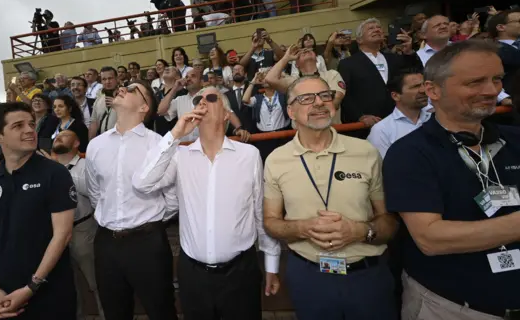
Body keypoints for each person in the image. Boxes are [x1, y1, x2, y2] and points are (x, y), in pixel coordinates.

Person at [384, 40, 520, 319]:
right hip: (452, 306)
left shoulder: (516, 140)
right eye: (475, 82)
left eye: (497, 79)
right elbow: (431, 239)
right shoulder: (408, 153)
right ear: (433, 90)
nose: (491, 90)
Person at [133, 86, 281, 320]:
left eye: (210, 98)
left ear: (226, 114)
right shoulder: (180, 156)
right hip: (193, 275)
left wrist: (272, 263)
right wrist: (174, 135)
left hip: (241, 272)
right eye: (197, 100)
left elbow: (259, 211)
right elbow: (142, 183)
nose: (201, 103)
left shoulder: (249, 155)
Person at [263, 75, 399, 319]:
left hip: (368, 277)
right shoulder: (276, 160)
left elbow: (389, 221)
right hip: (310, 278)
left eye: (325, 95)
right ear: (290, 111)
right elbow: (270, 222)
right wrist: (303, 228)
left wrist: (360, 232)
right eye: (306, 98)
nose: (318, 103)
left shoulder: (365, 151)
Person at [0, 102, 77, 319]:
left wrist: (31, 286)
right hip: (3, 297)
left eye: (31, 124)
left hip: (50, 293)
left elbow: (62, 235)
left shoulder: (55, 174)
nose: (29, 130)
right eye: (18, 126)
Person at [86, 80, 178, 320]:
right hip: (106, 243)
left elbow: (172, 198)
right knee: (115, 312)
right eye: (124, 85)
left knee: (161, 310)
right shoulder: (95, 145)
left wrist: (150, 222)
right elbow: (96, 193)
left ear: (144, 107)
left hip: (148, 244)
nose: (122, 88)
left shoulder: (158, 144)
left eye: (133, 88)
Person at [51, 130, 105, 320]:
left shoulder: (85, 166)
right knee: (66, 285)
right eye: (57, 135)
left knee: (96, 281)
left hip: (83, 229)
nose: (58, 137)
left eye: (65, 135)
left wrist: (60, 172)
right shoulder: (47, 168)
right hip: (55, 234)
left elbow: (92, 191)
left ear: (76, 143)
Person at [338, 18, 420, 138]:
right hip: (367, 127)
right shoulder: (348, 64)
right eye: (371, 28)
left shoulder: (395, 58)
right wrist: (360, 116)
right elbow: (345, 95)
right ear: (359, 39)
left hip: (400, 122)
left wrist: (409, 52)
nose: (376, 30)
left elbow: (417, 74)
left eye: (379, 28)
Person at [265, 44, 346, 125]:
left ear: (317, 59)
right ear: (296, 64)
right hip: (304, 132)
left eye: (310, 50)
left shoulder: (331, 74)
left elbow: (336, 100)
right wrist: (286, 58)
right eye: (301, 52)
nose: (306, 50)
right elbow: (270, 79)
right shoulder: (293, 81)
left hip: (330, 129)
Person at [367, 68, 431, 158]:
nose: (423, 90)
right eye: (415, 87)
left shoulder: (437, 118)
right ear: (396, 96)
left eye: (424, 85)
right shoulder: (382, 131)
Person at [88, 67, 119, 139]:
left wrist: (118, 106)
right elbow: (94, 123)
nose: (107, 82)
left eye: (110, 78)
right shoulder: (98, 100)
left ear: (117, 79)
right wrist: (91, 143)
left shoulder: (126, 97)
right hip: (104, 141)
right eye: (104, 79)